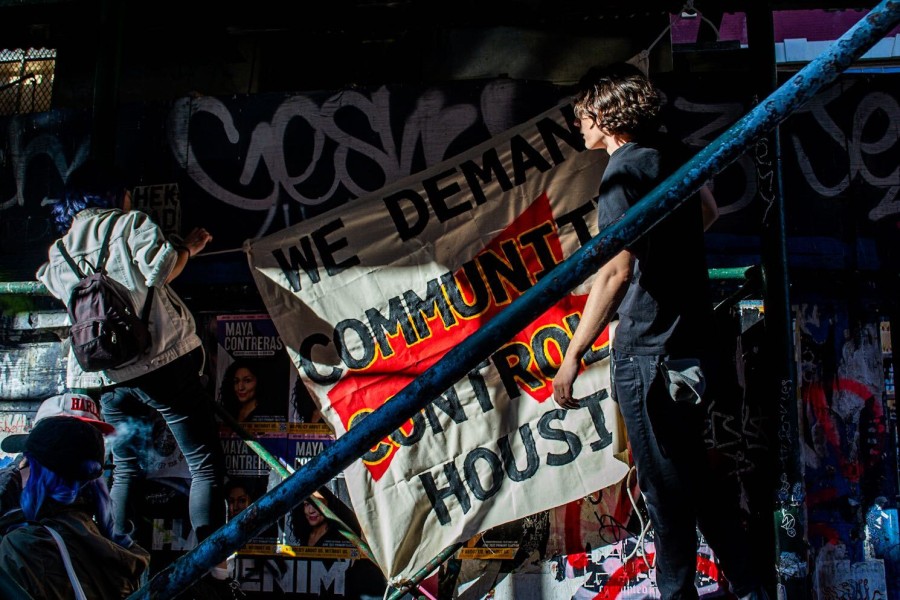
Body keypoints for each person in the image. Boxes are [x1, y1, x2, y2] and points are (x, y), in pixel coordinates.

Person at [551, 63, 768, 600]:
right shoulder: (672, 155)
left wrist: (573, 353)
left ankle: (678, 593)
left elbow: (615, 271)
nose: (578, 124)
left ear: (604, 114)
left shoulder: (622, 175)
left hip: (648, 351)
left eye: (583, 114)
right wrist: (669, 252)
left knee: (667, 492)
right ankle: (751, 587)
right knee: (695, 479)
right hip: (694, 344)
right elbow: (709, 210)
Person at [35, 160, 228, 571]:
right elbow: (160, 269)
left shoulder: (61, 248)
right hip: (163, 366)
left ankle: (121, 563)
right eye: (125, 193)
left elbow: (49, 282)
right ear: (113, 196)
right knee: (204, 464)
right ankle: (213, 570)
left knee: (125, 468)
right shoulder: (128, 224)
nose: (129, 199)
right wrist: (187, 250)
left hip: (107, 376)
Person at [0, 416, 149, 598]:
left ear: (38, 474)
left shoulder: (26, 544)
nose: (15, 471)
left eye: (23, 464)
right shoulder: (98, 537)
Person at [0, 391, 115, 516]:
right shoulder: (9, 485)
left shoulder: (91, 484)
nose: (83, 445)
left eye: (93, 433)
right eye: (70, 434)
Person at [219, 359, 285, 423]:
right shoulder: (230, 411)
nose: (240, 387)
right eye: (236, 381)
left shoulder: (266, 414)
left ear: (259, 382)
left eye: (247, 381)